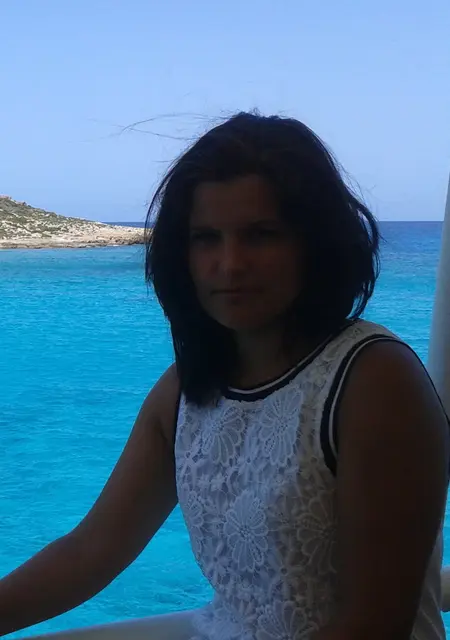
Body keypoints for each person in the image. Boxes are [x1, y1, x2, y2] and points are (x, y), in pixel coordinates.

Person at [0, 112, 449, 640]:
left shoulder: (374, 381)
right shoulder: (185, 391)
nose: (231, 264)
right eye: (206, 238)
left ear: (314, 243)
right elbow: (90, 551)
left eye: (261, 235)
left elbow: (373, 624)